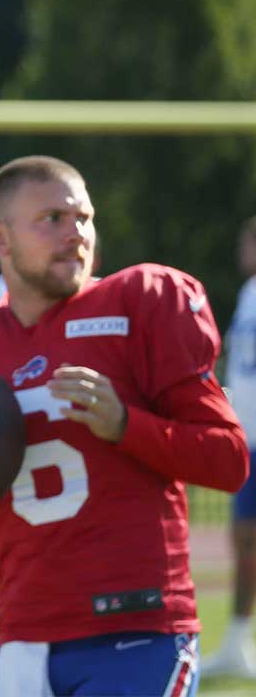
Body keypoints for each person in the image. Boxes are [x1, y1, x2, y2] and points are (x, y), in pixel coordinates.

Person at [0, 155, 249, 696]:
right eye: (52, 220)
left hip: (138, 632)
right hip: (22, 638)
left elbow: (228, 461)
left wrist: (126, 426)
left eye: (83, 218)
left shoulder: (143, 302)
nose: (76, 235)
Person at [201, 216, 256, 679]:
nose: (243, 250)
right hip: (250, 440)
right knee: (243, 542)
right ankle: (238, 642)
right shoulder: (249, 293)